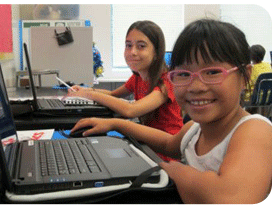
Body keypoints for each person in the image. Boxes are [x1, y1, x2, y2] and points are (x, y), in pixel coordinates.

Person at [70, 19, 272, 204]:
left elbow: (228, 197)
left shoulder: (255, 130)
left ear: (244, 77)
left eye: (212, 72)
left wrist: (173, 169)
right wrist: (116, 124)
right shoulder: (194, 128)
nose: (195, 86)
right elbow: (168, 143)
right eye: (184, 74)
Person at [66, 20, 183, 161]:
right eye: (128, 45)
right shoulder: (137, 78)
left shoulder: (166, 82)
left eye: (141, 46)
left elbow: (131, 110)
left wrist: (89, 94)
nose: (132, 52)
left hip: (167, 151)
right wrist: (86, 89)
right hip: (146, 144)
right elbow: (112, 94)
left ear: (157, 53)